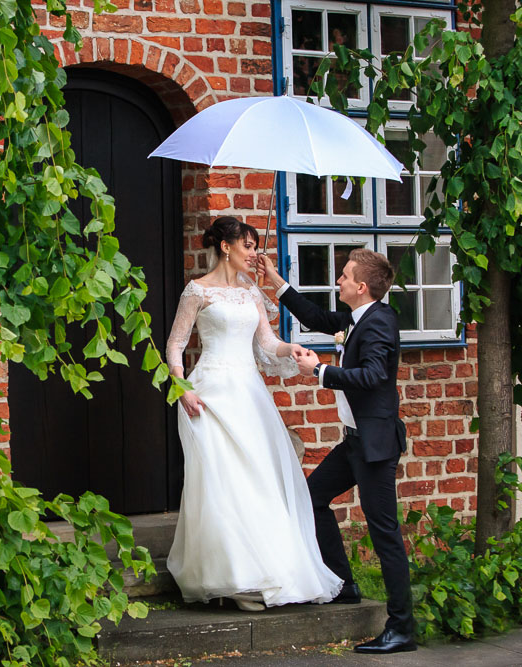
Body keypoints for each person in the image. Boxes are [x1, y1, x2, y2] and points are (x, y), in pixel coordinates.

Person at [165, 216, 343, 612]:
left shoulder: (250, 293)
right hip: (209, 395)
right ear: (225, 247)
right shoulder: (196, 291)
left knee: (258, 480)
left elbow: (267, 342)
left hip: (248, 393)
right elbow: (175, 345)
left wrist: (291, 351)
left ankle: (267, 572)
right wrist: (182, 388)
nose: (254, 254)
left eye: (255, 246)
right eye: (248, 246)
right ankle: (232, 578)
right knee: (220, 481)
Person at [258, 248, 416, 654]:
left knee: (385, 534)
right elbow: (317, 318)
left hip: (374, 446)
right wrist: (276, 281)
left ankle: (402, 628)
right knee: (313, 498)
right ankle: (344, 584)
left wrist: (320, 371)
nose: (338, 281)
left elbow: (374, 375)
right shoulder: (354, 318)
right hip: (353, 442)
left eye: (345, 276)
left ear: (361, 287)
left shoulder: (379, 322)